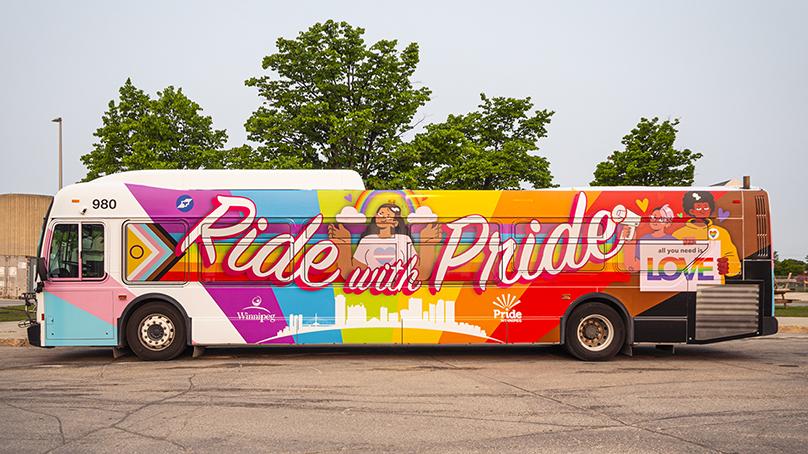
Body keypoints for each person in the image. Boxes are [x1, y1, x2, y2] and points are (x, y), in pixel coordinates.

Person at [328, 203, 441, 279]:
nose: (382, 217)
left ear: (395, 222)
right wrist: (343, 244)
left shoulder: (403, 240)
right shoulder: (367, 241)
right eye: (380, 213)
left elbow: (421, 273)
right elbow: (351, 273)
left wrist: (428, 244)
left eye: (387, 215)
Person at [672, 191, 740, 278]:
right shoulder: (679, 234)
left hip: (714, 283)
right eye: (699, 208)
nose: (703, 210)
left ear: (710, 209)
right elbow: (670, 259)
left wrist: (727, 266)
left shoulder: (722, 233)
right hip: (686, 281)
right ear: (691, 211)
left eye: (706, 207)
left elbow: (732, 257)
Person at [623, 204, 676, 271]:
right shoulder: (644, 239)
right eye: (653, 217)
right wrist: (629, 239)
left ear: (668, 224)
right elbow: (633, 267)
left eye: (661, 219)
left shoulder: (672, 240)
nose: (655, 220)